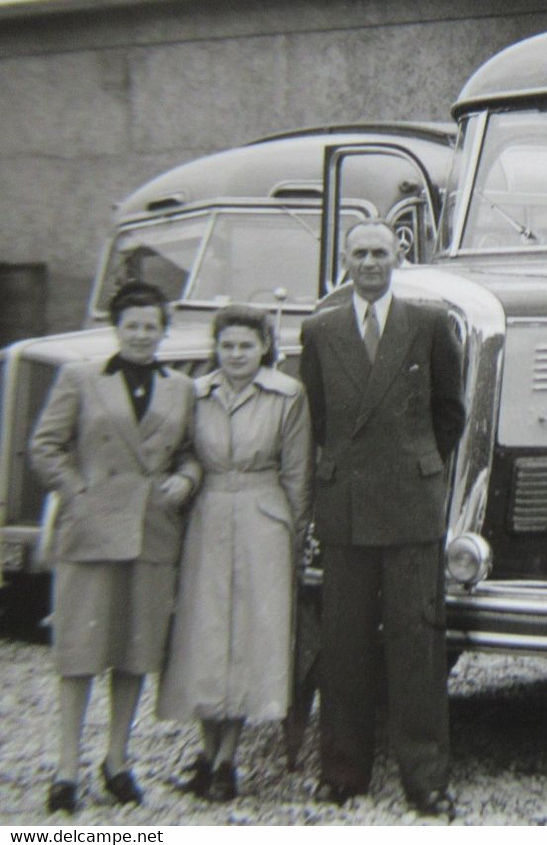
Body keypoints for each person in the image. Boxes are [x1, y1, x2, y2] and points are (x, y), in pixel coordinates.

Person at [296, 219, 466, 818]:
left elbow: (450, 413)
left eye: (380, 253)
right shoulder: (319, 331)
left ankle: (426, 779)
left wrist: (417, 466)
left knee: (416, 647)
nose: (370, 263)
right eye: (359, 253)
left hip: (410, 508)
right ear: (344, 262)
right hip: (345, 510)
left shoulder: (428, 324)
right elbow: (317, 418)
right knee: (343, 647)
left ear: (399, 257)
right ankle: (342, 772)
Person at [27, 281, 200, 815]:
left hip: (151, 533)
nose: (143, 335)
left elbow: (191, 454)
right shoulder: (80, 378)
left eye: (152, 327)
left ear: (163, 330)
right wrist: (76, 492)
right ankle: (65, 769)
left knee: (134, 653)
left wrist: (185, 482)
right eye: (133, 326)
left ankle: (118, 762)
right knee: (79, 654)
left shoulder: (180, 388)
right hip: (92, 534)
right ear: (117, 329)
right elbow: (45, 446)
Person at [156, 305, 310, 801]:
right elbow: (182, 453)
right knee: (205, 634)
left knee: (248, 636)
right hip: (207, 515)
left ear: (264, 346)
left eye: (246, 345)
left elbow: (297, 473)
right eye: (227, 346)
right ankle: (204, 754)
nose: (236, 354)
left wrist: (294, 531)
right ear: (215, 349)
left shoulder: (287, 395)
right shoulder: (195, 393)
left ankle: (227, 761)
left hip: (264, 518)